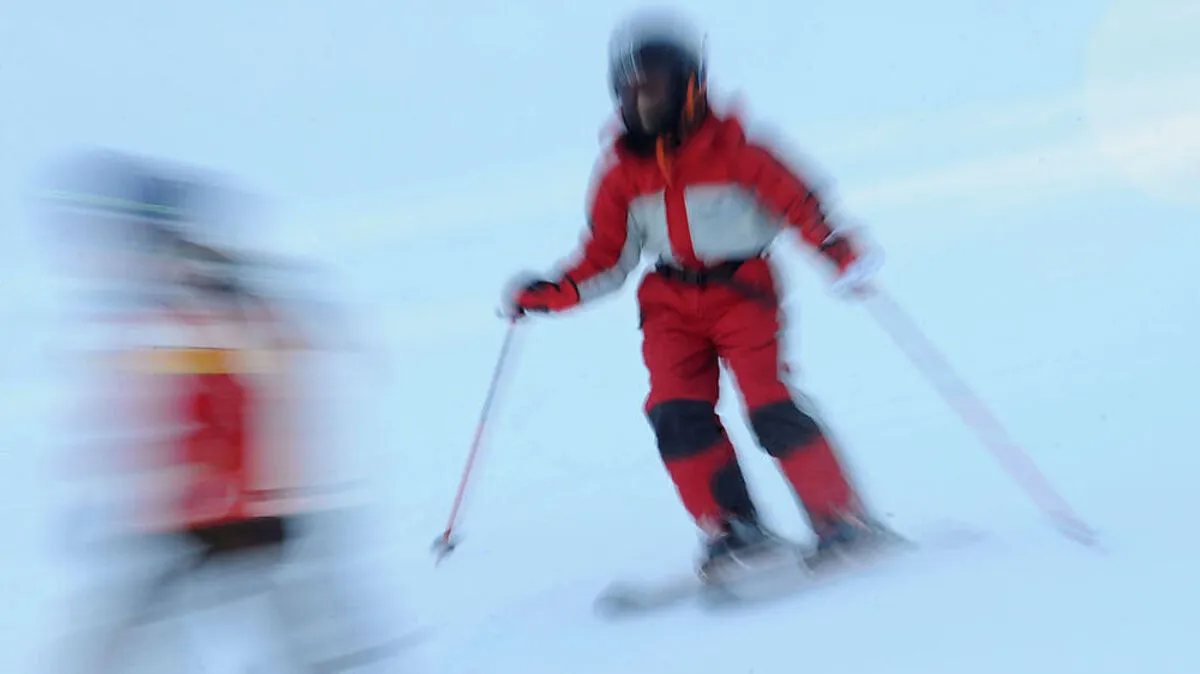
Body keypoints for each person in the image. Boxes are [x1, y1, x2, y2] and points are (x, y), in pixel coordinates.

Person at [504, 12, 888, 580]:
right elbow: (607, 258)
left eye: (652, 85)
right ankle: (734, 527)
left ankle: (841, 520)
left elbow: (804, 207)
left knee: (769, 403)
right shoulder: (622, 173)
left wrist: (839, 253)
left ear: (689, 84)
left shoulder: (740, 153)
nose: (640, 100)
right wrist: (551, 294)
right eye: (629, 89)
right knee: (675, 412)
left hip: (743, 291)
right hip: (671, 303)